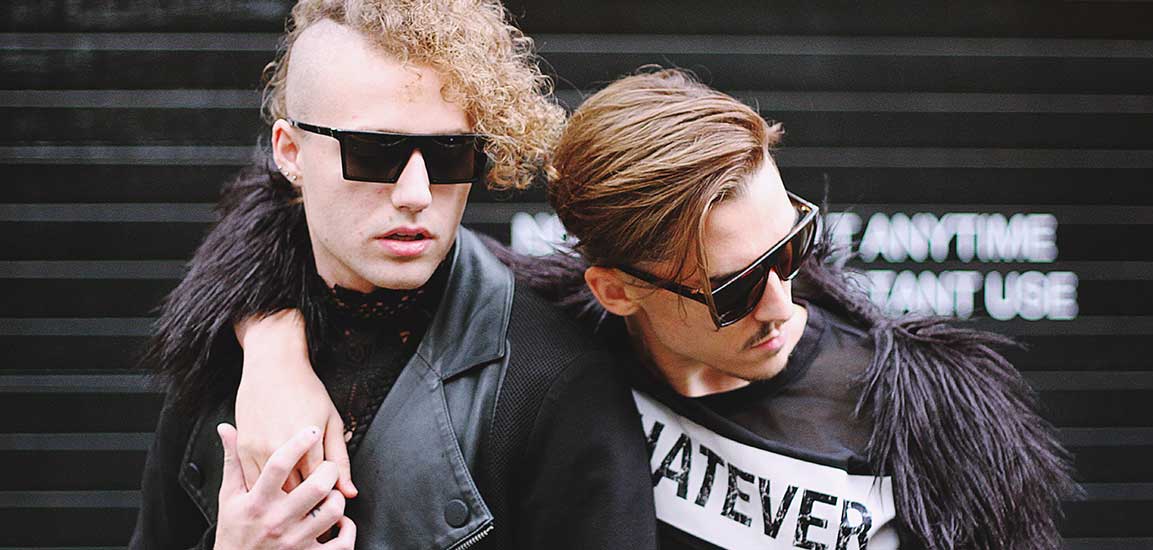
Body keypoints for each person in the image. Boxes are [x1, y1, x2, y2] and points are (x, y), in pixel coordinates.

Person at [216, 70, 1078, 549]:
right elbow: (299, 208)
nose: (783, 303)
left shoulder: (922, 415)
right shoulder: (545, 348)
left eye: (792, 248)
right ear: (615, 290)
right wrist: (272, 351)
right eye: (733, 288)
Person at [129, 1, 657, 549]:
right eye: (374, 152)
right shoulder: (225, 337)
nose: (416, 194)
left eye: (450, 154)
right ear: (290, 153)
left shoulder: (551, 374)